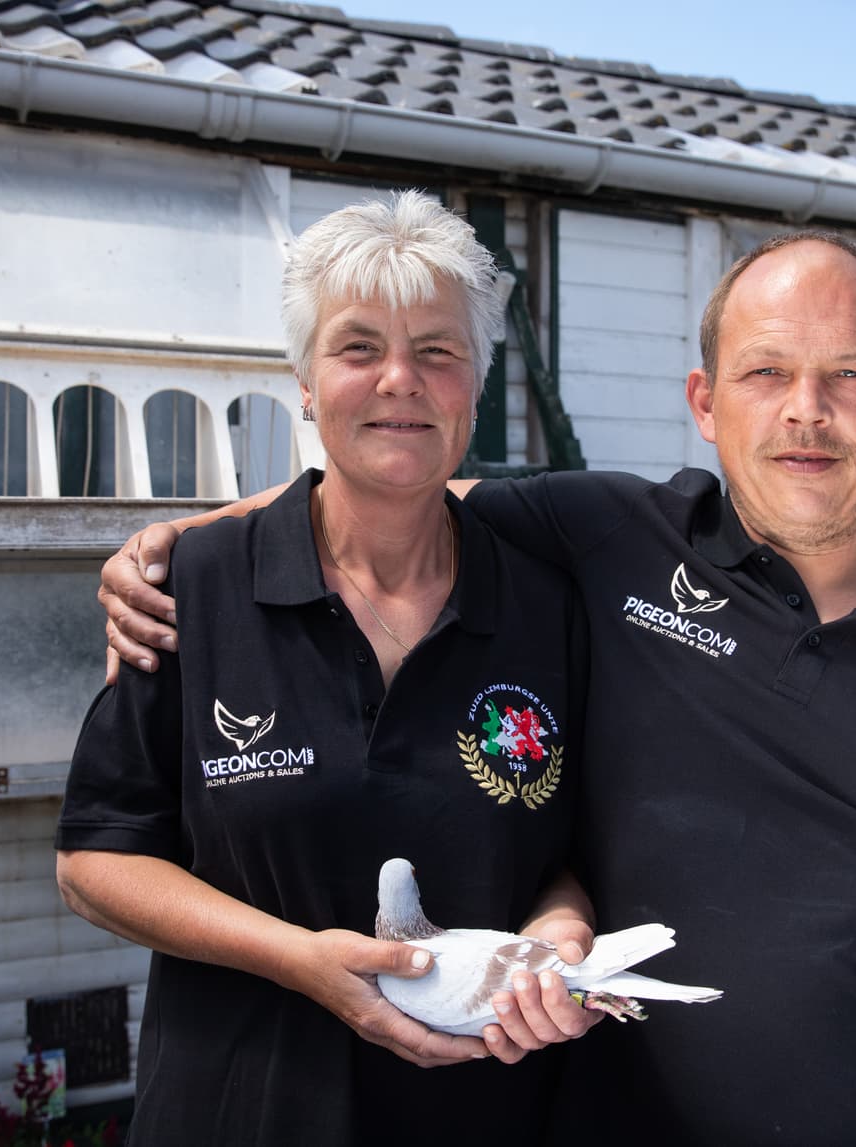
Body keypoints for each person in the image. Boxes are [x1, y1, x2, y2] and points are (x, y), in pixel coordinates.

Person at [98, 230, 856, 1145]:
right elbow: (396, 467)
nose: (806, 413)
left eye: (848, 375)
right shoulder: (612, 542)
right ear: (704, 403)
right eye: (766, 371)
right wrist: (183, 544)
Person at [55, 192, 600, 1147]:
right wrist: (297, 957)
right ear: (304, 381)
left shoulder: (549, 606)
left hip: (487, 1112)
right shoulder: (192, 587)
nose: (401, 379)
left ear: (475, 382)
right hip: (237, 1111)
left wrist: (561, 937)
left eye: (438, 350)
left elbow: (568, 856)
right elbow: (95, 861)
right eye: (358, 348)